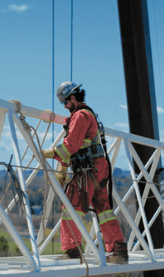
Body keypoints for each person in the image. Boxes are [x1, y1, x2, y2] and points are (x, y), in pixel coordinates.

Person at [41, 81, 128, 264]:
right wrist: (50, 117)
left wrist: (50, 153)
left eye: (66, 102)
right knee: (104, 210)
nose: (65, 106)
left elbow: (70, 146)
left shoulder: (80, 115)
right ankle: (118, 251)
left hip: (87, 169)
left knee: (71, 207)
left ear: (73, 98)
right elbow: (70, 127)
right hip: (98, 167)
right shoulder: (86, 114)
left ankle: (72, 251)